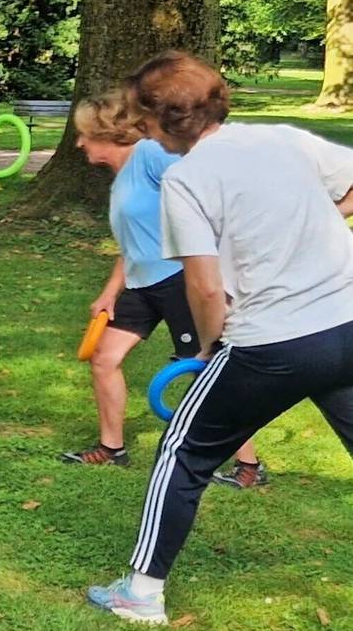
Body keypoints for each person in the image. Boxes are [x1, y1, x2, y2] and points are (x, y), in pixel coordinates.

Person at [89, 51, 353, 627]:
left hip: (272, 342)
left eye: (145, 120)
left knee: (183, 453)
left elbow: (205, 289)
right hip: (348, 323)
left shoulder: (187, 178)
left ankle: (140, 593)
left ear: (161, 123)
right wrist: (318, 225)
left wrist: (209, 349)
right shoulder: (283, 139)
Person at [61, 90, 264, 482]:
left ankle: (249, 465)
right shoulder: (121, 180)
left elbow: (204, 190)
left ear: (106, 133)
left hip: (178, 280)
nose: (79, 143)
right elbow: (135, 244)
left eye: (84, 134)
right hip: (141, 285)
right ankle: (111, 447)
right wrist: (110, 291)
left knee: (209, 369)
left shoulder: (151, 156)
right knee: (104, 359)